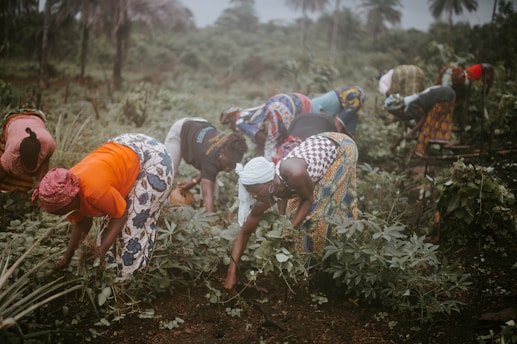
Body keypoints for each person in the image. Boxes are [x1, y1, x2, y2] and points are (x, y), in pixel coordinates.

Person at [224, 132, 358, 292]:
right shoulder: (269, 191)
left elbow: (308, 200)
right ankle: (307, 267)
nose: (253, 196)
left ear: (269, 183)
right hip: (314, 156)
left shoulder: (294, 174)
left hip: (340, 148)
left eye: (255, 191)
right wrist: (231, 273)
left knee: (318, 218)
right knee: (294, 214)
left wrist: (290, 230)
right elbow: (244, 233)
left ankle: (327, 264)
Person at [32, 133, 173, 281]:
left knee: (133, 224)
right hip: (124, 149)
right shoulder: (67, 186)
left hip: (153, 157)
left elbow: (120, 215)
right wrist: (66, 258)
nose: (61, 215)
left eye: (60, 211)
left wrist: (102, 249)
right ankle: (109, 275)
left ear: (70, 200)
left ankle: (128, 281)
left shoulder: (94, 191)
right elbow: (82, 222)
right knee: (106, 234)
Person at [164, 117, 247, 213]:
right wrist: (210, 221)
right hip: (182, 129)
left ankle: (203, 209)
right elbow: (207, 193)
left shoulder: (230, 146)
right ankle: (162, 206)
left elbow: (208, 170)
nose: (229, 168)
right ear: (221, 153)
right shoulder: (212, 158)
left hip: (202, 127)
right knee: (167, 174)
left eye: (233, 164)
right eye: (228, 163)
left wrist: (193, 182)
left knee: (212, 182)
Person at [220, 93, 313, 162]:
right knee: (299, 139)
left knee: (270, 152)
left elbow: (258, 136)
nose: (231, 129)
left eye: (229, 126)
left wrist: (265, 153)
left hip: (278, 107)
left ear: (231, 121)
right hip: (300, 100)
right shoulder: (248, 113)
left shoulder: (238, 121)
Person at [383, 85, 456, 157]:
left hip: (442, 96)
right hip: (449, 94)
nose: (395, 115)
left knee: (427, 126)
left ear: (398, 109)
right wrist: (396, 144)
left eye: (394, 113)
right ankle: (443, 144)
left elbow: (423, 118)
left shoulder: (410, 106)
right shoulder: (404, 109)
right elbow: (405, 130)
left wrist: (412, 132)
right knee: (441, 122)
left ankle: (421, 151)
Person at [0, 108, 56, 191]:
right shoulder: (11, 153)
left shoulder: (49, 144)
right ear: (20, 155)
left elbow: (45, 163)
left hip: (35, 117)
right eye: (26, 161)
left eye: (32, 161)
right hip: (13, 120)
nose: (29, 165)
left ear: (38, 154)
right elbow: (2, 171)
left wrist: (39, 186)